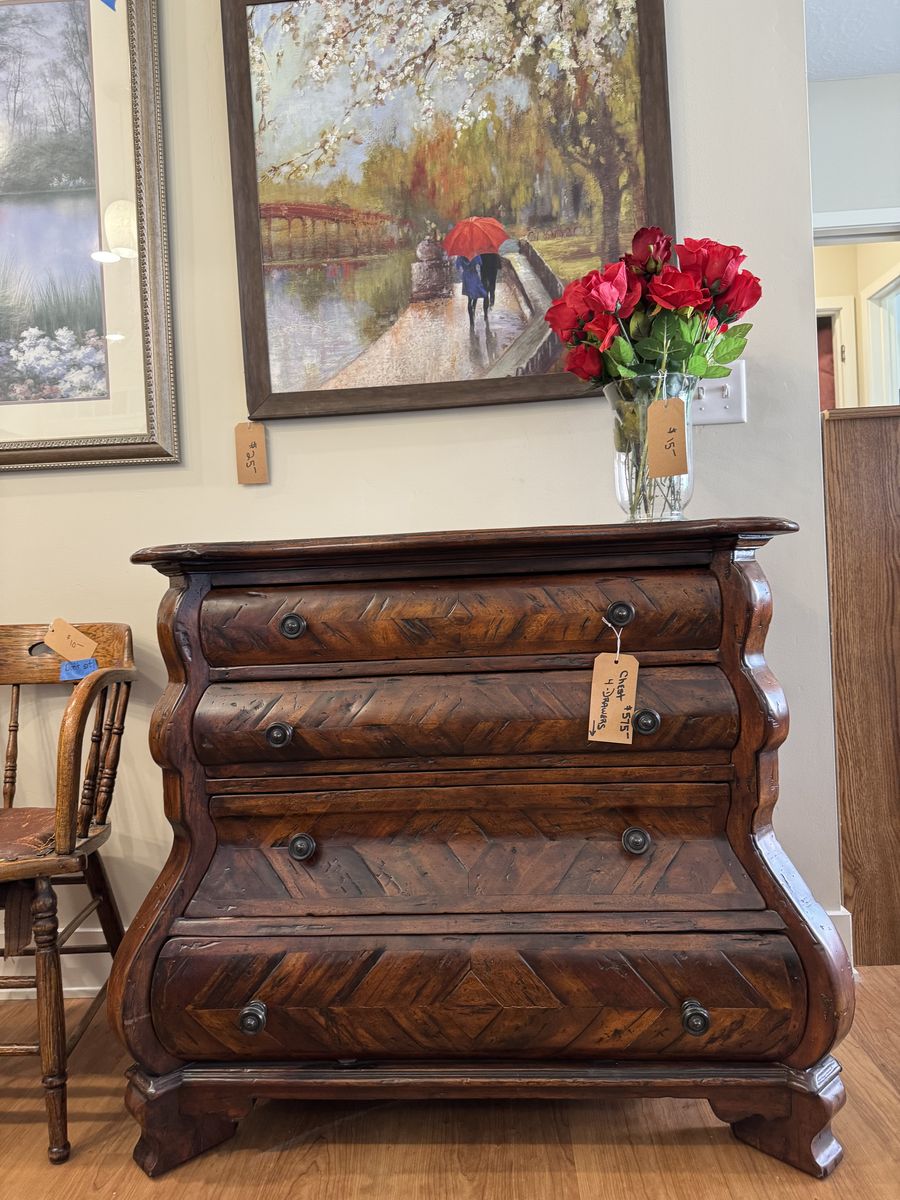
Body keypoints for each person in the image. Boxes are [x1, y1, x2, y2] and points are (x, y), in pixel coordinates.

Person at [455, 255, 487, 325]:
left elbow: (457, 266)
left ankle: (471, 320)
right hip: (473, 275)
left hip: (466, 276)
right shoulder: (475, 254)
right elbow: (480, 263)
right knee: (477, 293)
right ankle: (473, 310)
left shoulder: (460, 256)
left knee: (469, 299)